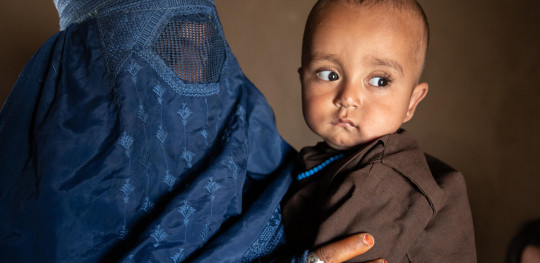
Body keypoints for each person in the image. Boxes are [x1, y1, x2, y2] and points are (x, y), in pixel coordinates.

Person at [0, 0, 385, 262]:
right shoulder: (42, 218)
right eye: (172, 47)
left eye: (208, 50)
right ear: (91, 77)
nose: (196, 71)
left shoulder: (284, 175)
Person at [282, 0, 477, 262]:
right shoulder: (323, 160)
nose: (348, 97)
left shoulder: (382, 180)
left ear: (411, 102)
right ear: (303, 80)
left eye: (379, 80)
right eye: (329, 75)